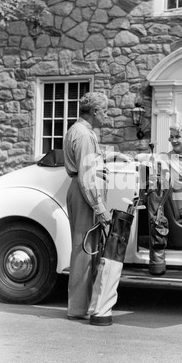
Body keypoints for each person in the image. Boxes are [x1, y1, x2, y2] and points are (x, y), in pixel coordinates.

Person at [63, 92, 112, 321]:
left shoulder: (78, 130)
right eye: (104, 111)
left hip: (80, 192)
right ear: (94, 112)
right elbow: (87, 176)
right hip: (85, 194)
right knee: (84, 251)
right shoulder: (85, 136)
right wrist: (99, 207)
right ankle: (78, 309)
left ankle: (82, 306)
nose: (106, 115)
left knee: (85, 249)